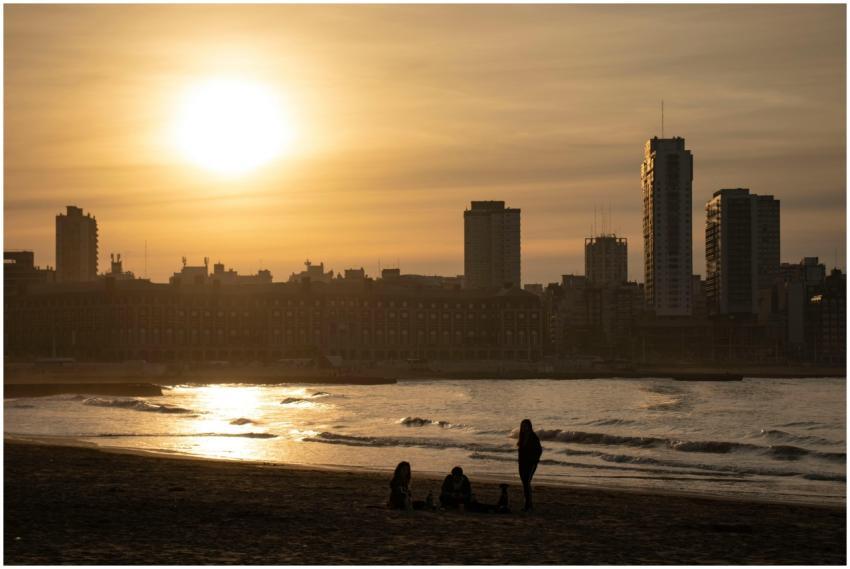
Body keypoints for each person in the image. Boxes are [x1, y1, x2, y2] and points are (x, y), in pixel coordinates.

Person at [517, 418, 542, 512]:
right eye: (522, 426)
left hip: (530, 464)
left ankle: (528, 505)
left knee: (527, 483)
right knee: (525, 484)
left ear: (529, 427)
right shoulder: (522, 437)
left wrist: (535, 461)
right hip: (522, 464)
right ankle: (528, 505)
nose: (524, 428)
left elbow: (539, 450)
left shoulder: (533, 437)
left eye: (525, 426)